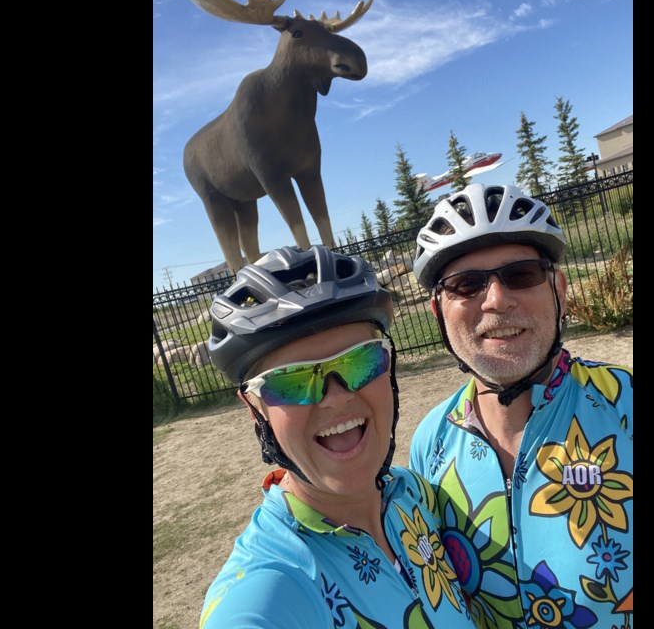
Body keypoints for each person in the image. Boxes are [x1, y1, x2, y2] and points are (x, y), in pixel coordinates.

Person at [199, 245, 475, 629]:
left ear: (388, 367)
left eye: (360, 360)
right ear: (255, 409)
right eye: (292, 381)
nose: (337, 398)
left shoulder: (414, 494)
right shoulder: (270, 589)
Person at [408, 184, 633, 629]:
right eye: (465, 284)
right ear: (438, 311)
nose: (496, 299)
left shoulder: (624, 406)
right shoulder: (430, 442)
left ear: (559, 290)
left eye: (522, 274)